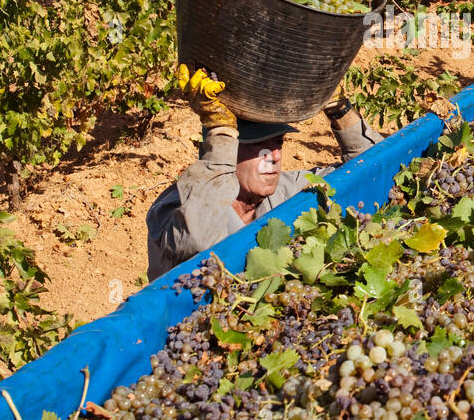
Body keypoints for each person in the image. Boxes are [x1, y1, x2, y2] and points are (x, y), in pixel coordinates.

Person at [145, 65, 383, 280]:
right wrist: (221, 130)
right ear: (225, 150)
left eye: (278, 142)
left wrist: (340, 110)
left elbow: (373, 171)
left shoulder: (286, 190)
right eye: (259, 145)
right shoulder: (173, 208)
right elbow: (196, 244)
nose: (275, 155)